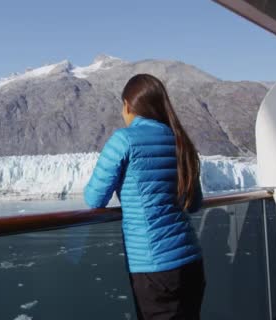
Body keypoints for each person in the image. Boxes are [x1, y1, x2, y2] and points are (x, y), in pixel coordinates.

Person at [84, 74, 205, 320]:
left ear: (128, 106)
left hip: (155, 269)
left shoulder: (125, 140)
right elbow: (194, 204)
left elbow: (95, 198)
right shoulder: (180, 141)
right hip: (191, 262)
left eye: (123, 106)